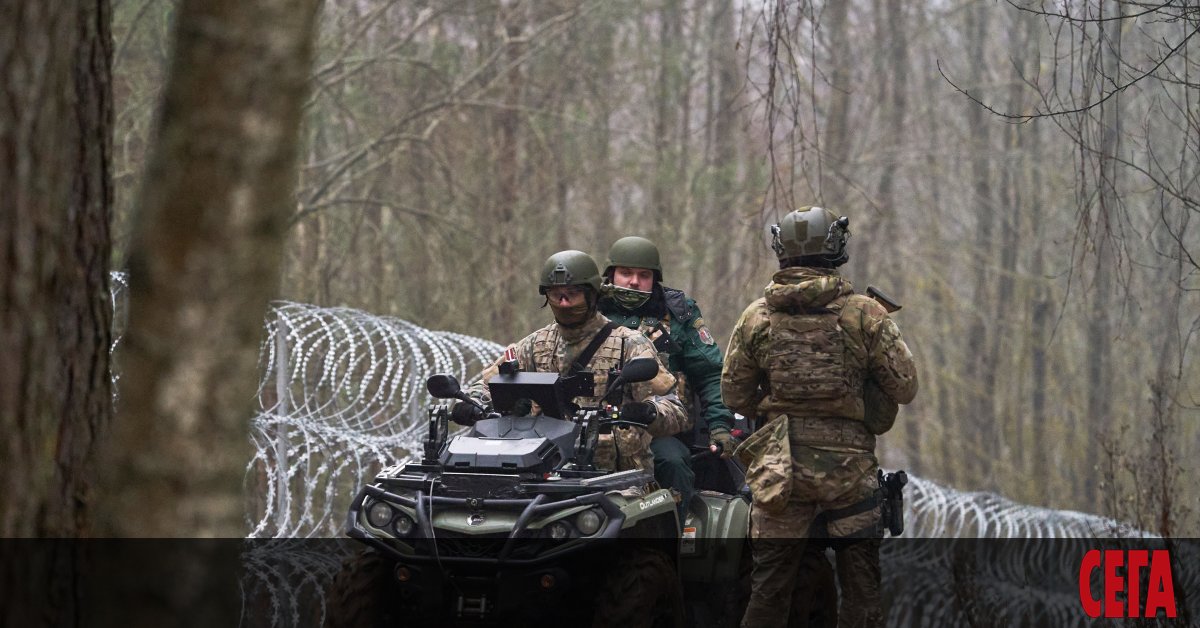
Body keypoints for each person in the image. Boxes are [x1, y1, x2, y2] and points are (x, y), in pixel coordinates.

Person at [721, 207, 918, 627]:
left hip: (780, 469)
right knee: (861, 592)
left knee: (769, 592)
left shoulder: (756, 315)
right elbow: (905, 387)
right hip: (850, 471)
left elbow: (733, 393)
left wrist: (774, 401)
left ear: (782, 249)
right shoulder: (866, 313)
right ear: (836, 246)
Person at [450, 250, 687, 473]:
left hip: (619, 479)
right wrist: (472, 406)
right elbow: (488, 386)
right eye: (556, 295)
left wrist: (647, 412)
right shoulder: (534, 345)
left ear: (592, 294)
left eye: (572, 294)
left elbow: (675, 410)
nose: (564, 303)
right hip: (544, 472)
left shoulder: (631, 344)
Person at [597, 236, 739, 521]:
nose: (634, 282)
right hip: (594, 427)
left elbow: (711, 373)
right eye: (626, 273)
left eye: (644, 275)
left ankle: (668, 551)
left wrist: (720, 426)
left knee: (673, 463)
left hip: (658, 430)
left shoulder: (677, 312)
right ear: (611, 275)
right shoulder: (589, 310)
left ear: (655, 279)